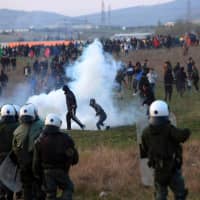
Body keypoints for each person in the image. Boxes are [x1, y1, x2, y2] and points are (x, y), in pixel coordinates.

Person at [141, 100, 190, 200]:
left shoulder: (145, 132)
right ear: (165, 113)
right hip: (172, 168)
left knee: (160, 196)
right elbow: (182, 136)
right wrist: (187, 131)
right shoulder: (169, 129)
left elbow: (144, 150)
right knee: (180, 194)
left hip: (158, 170)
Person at [33, 113, 79, 200]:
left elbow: (36, 161)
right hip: (61, 171)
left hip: (46, 172)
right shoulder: (66, 138)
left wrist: (38, 174)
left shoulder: (39, 141)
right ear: (58, 124)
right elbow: (74, 158)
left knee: (50, 194)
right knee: (68, 188)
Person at [12, 104, 44, 200]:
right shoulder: (41, 125)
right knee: (39, 184)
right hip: (38, 162)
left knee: (26, 187)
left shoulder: (17, 130)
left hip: (23, 163)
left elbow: (14, 148)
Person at [0, 104, 19, 200]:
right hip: (12, 156)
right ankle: (9, 196)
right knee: (11, 177)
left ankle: (1, 194)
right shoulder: (18, 126)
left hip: (0, 156)